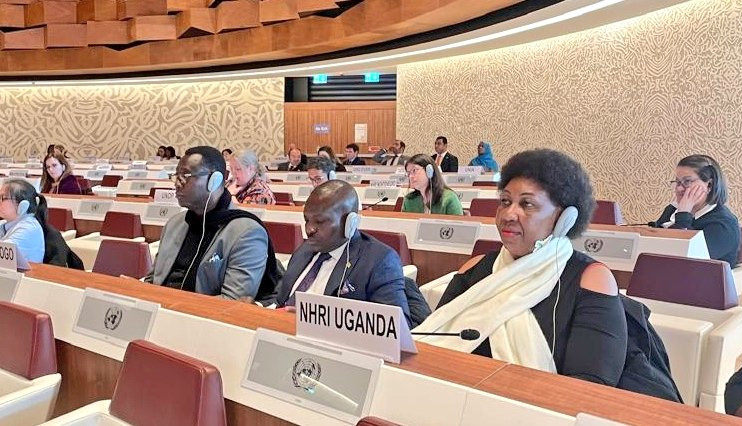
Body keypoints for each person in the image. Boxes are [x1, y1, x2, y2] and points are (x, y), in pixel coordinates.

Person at [415, 149, 681, 402]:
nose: (509, 214)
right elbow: (432, 344)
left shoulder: (592, 280)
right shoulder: (475, 269)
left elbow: (591, 388)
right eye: (505, 201)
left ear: (564, 219)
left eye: (527, 204)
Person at [145, 146, 280, 302]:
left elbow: (232, 303)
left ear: (213, 181)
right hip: (160, 307)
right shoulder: (175, 224)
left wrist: (170, 304)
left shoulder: (247, 233)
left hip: (196, 314)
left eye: (185, 175)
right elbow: (152, 280)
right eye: (177, 176)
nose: (177, 183)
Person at [272, 181, 412, 325]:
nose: (309, 229)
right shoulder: (305, 250)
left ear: (349, 223)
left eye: (320, 222)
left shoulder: (379, 261)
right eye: (307, 220)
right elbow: (279, 299)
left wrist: (317, 319)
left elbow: (397, 325)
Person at [652, 154, 740, 267]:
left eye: (687, 181)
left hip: (701, 277)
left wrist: (683, 215)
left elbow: (686, 261)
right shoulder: (672, 210)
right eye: (677, 182)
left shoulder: (724, 224)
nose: (679, 188)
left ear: (709, 185)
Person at [0, 179, 46, 263]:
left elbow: (3, 256)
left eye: (3, 198)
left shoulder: (29, 228)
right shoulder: (5, 223)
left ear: (23, 205)